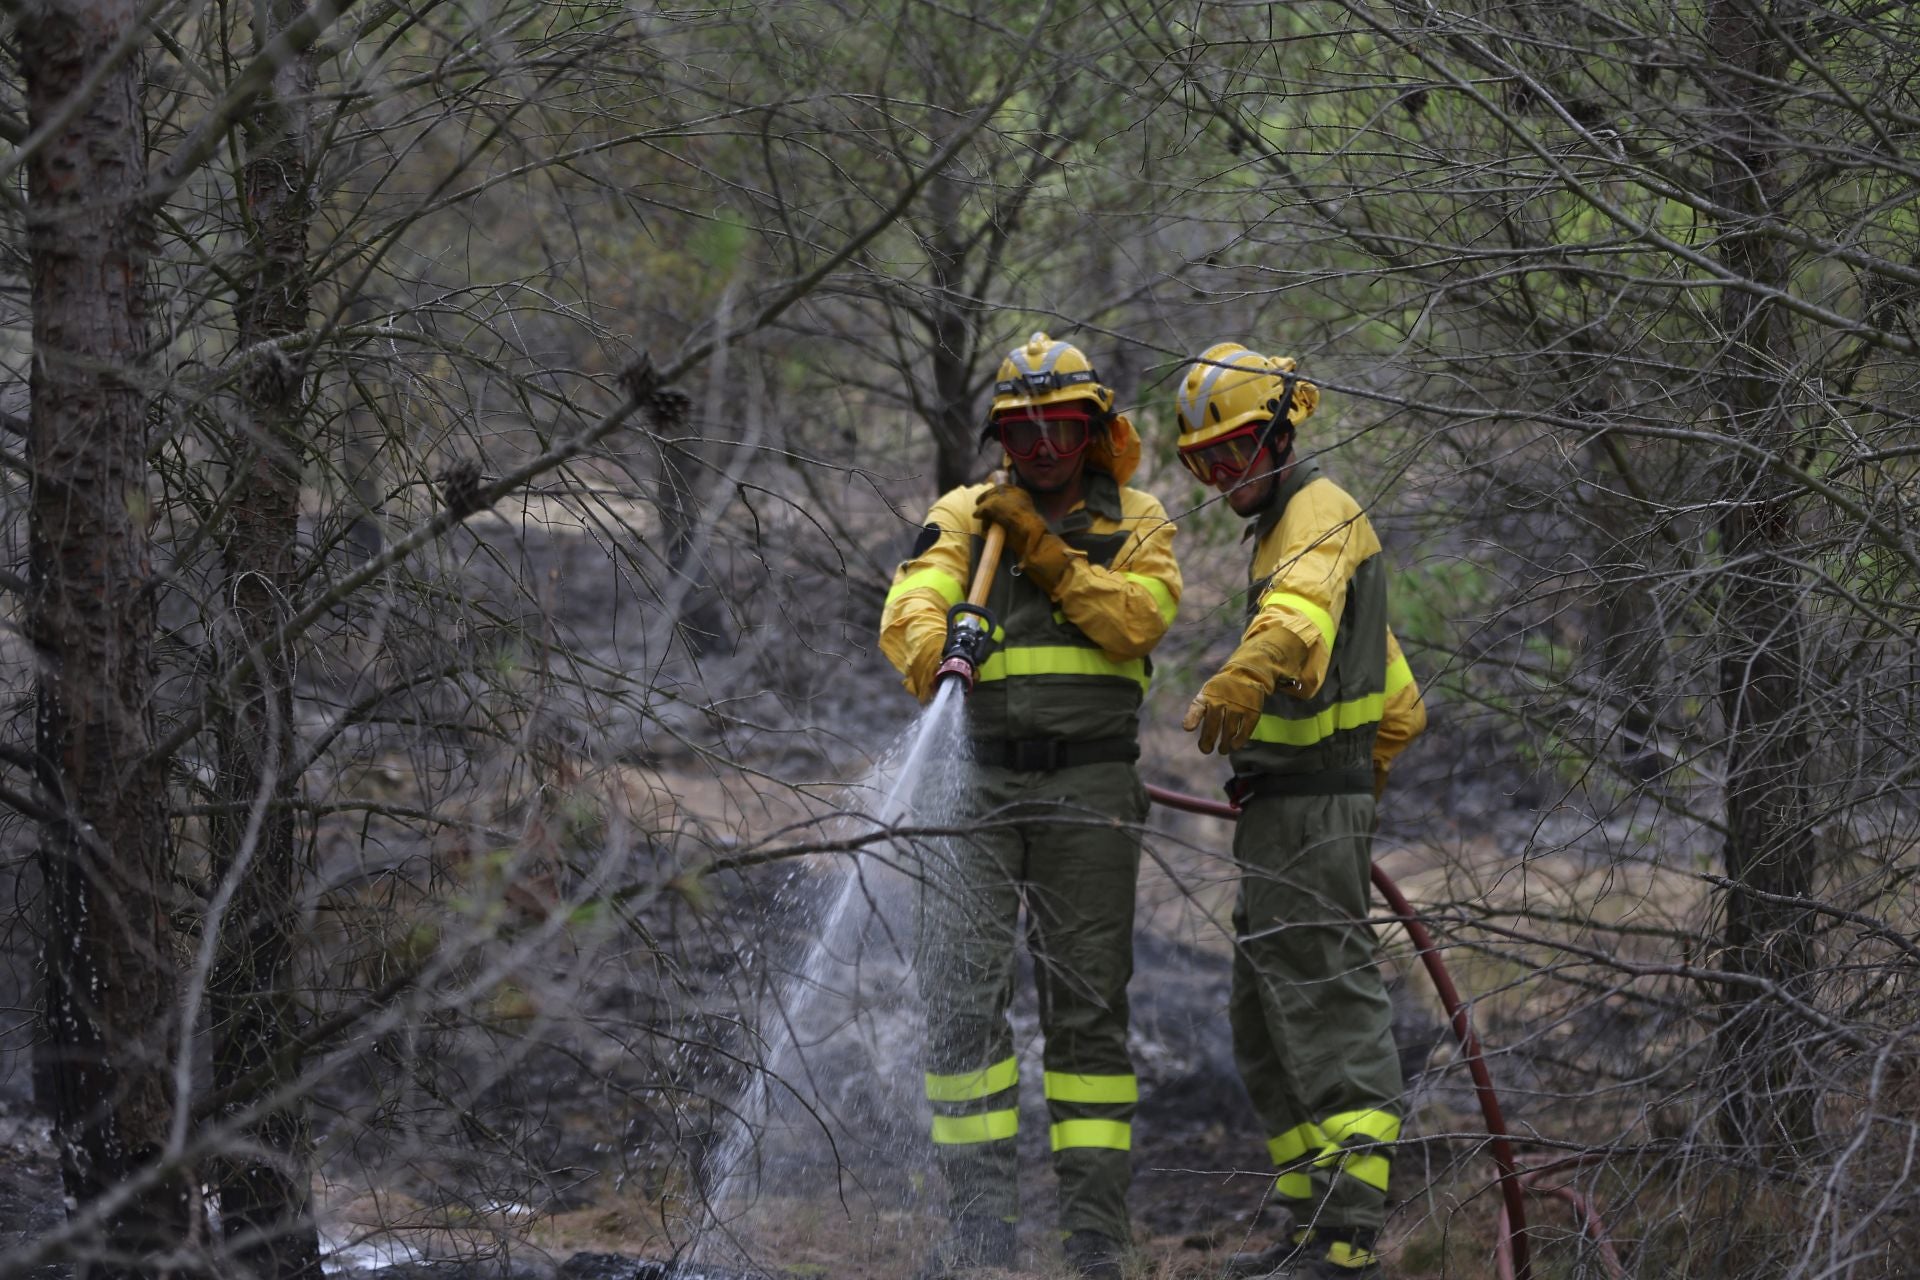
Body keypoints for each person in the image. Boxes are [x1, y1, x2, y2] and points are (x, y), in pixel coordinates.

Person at [878, 332, 1181, 1280]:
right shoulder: (966, 516)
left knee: (1089, 1014)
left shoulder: (1139, 519)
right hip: (973, 784)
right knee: (962, 1010)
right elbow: (911, 601)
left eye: (1061, 424)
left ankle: (1097, 1245)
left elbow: (1139, 621)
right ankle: (979, 1238)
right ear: (1003, 433)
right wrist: (940, 643)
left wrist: (1046, 553)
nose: (1044, 443)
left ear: (1095, 429)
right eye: (1024, 426)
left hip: (1089, 785)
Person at [1172, 344, 1426, 1279]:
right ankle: (1310, 1220)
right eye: (1206, 463)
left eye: (1238, 453)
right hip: (1298, 806)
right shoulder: (1293, 521)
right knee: (1263, 1011)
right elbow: (1401, 701)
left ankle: (1351, 1233)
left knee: (1322, 1000)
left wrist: (1251, 668)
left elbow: (1303, 618)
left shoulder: (1315, 513)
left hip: (1309, 803)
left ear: (1282, 436)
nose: (1225, 477)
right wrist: (1361, 782)